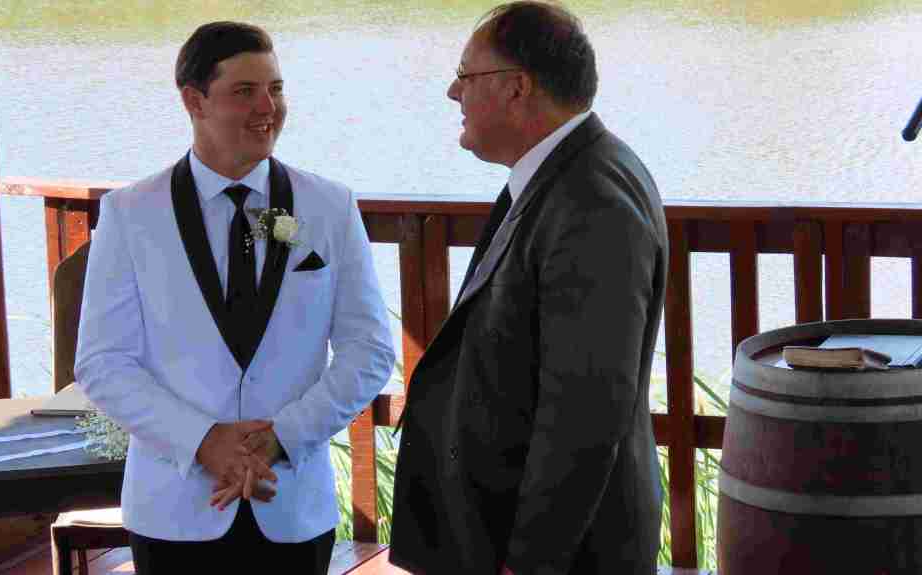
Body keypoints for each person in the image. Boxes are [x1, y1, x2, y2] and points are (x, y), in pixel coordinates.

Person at [74, 21, 395, 574]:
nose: (267, 108)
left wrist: (283, 437)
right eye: (245, 91)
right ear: (193, 100)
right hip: (174, 509)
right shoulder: (130, 214)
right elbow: (103, 363)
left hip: (291, 502)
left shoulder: (330, 207)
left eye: (276, 88)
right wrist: (203, 442)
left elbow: (369, 351)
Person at [389, 2, 667, 574]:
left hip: (561, 554)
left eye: (465, 75)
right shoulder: (562, 175)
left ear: (516, 87)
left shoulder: (592, 202)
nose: (453, 92)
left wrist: (530, 560)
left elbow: (586, 410)